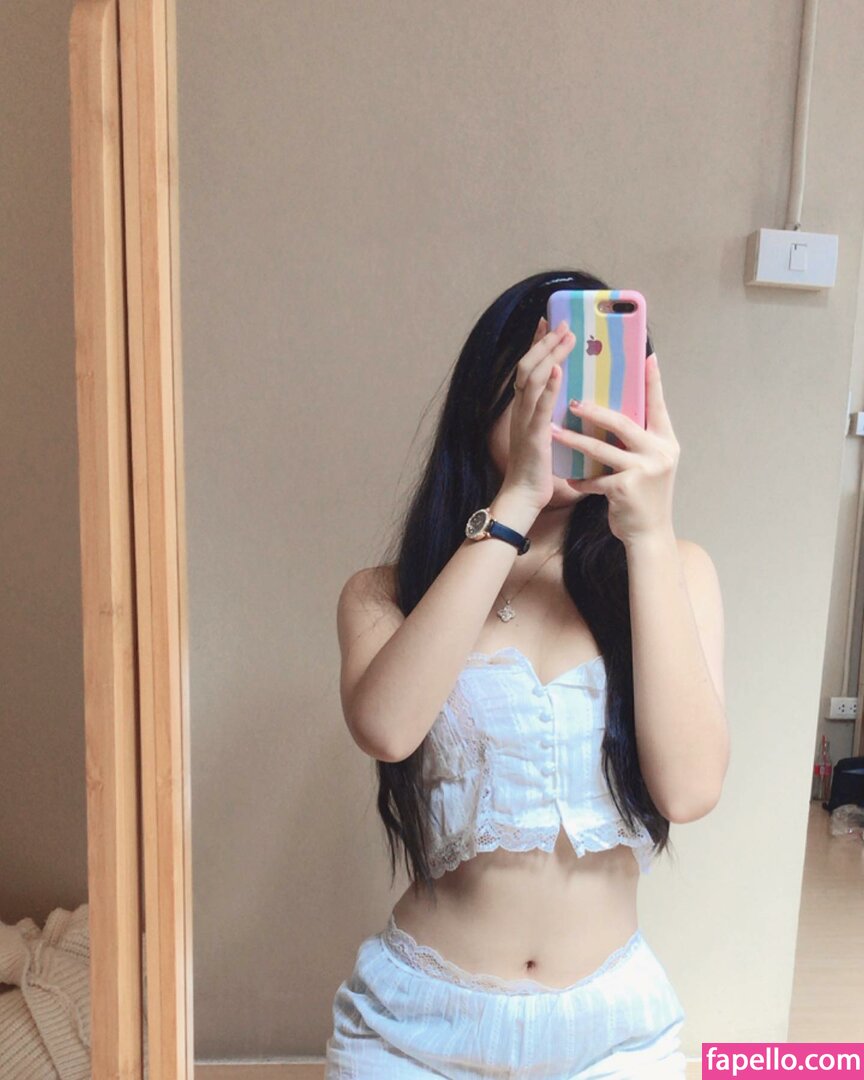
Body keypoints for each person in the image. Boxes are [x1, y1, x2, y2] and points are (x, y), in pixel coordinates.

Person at [324, 269, 728, 1078]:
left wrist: (649, 532)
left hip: (614, 1034)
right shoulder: (384, 594)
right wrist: (516, 500)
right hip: (416, 1028)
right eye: (544, 382)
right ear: (488, 400)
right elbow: (387, 728)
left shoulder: (676, 569)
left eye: (593, 387)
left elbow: (689, 791)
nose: (569, 411)